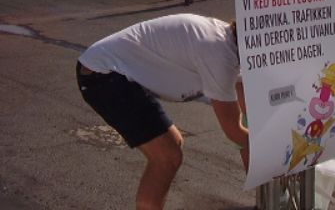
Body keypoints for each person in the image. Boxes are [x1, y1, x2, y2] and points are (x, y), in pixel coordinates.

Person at [76, 13, 248, 209]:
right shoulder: (220, 55)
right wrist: (273, 153)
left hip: (119, 71)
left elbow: (248, 118)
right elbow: (234, 131)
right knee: (167, 156)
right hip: (103, 73)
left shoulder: (230, 40)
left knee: (171, 148)